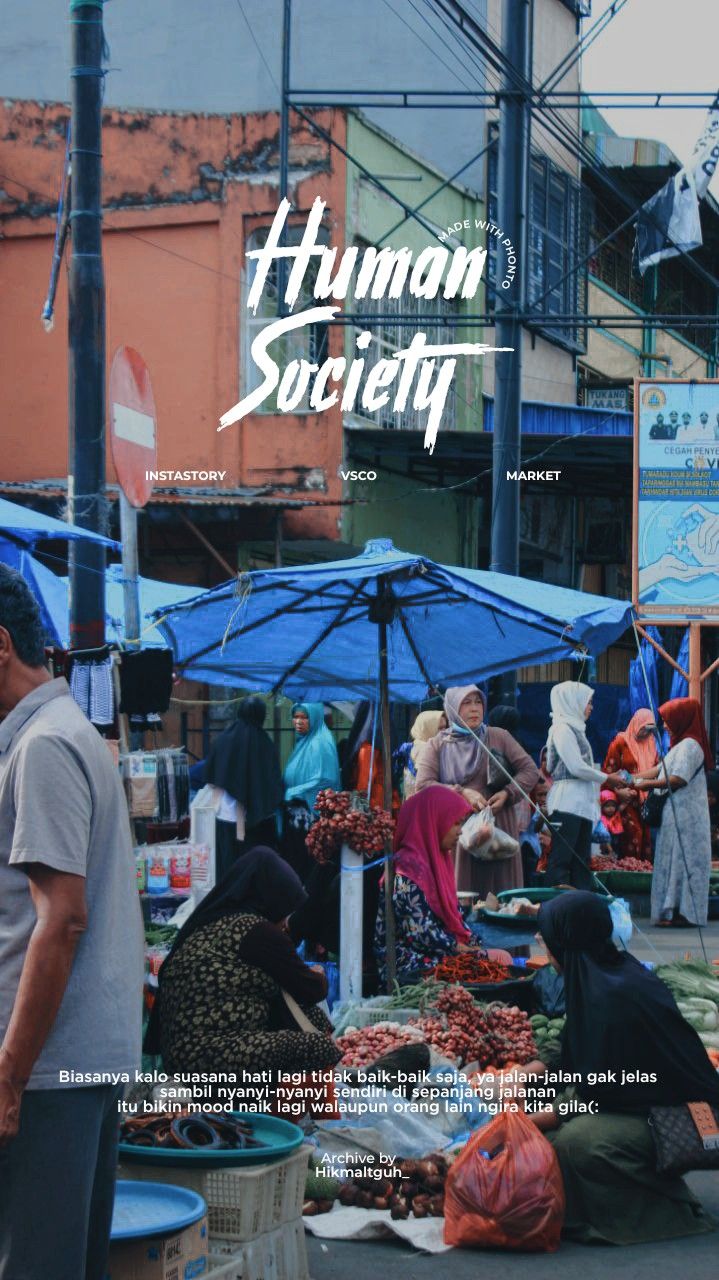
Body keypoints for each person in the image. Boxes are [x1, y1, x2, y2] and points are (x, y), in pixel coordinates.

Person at [0, 565, 144, 1280]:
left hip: (47, 1071)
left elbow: (62, 922)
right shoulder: (65, 732)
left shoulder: (43, 747)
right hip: (69, 1061)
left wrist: (9, 1073)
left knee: (35, 1264)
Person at [528, 892, 719, 1246]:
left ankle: (669, 1210)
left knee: (576, 1142)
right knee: (546, 1131)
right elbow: (574, 1042)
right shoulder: (602, 973)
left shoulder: (612, 996)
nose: (544, 948)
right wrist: (528, 1073)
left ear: (566, 941)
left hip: (687, 1116)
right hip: (639, 1102)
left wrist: (526, 1123)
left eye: (546, 940)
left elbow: (591, 1091)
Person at [144, 847, 340, 1078]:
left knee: (299, 1013)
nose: (284, 923)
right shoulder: (257, 931)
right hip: (212, 1056)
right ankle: (309, 1112)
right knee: (320, 1047)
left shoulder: (209, 924)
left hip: (180, 1056)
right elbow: (311, 990)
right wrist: (319, 975)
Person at [374, 786, 511, 985]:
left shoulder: (437, 860)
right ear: (434, 822)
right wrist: (460, 948)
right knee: (497, 961)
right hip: (409, 963)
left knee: (500, 958)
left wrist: (472, 942)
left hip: (436, 951)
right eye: (455, 823)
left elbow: (452, 916)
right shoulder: (406, 868)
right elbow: (419, 933)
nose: (460, 831)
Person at [415, 685, 539, 895]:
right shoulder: (437, 745)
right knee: (463, 894)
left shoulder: (499, 736)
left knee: (501, 896)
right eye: (466, 702)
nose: (474, 709)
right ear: (453, 708)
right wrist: (460, 792)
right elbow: (423, 785)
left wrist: (508, 793)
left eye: (478, 702)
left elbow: (530, 771)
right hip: (459, 832)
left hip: (498, 829)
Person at [632, 698, 713, 927]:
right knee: (673, 861)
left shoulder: (690, 746)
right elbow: (660, 770)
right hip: (676, 814)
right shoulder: (680, 745)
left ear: (681, 719)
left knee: (683, 862)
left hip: (687, 818)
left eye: (668, 720)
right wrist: (632, 778)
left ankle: (683, 913)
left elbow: (678, 779)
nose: (664, 725)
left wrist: (645, 785)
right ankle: (674, 910)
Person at [543, 681, 628, 890]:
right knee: (562, 858)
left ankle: (583, 905)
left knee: (581, 860)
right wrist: (607, 778)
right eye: (588, 702)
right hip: (567, 803)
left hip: (579, 803)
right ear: (573, 702)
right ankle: (557, 908)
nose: (591, 707)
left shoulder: (575, 729)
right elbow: (576, 767)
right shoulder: (562, 729)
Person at [203, 696, 284, 881]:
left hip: (224, 816)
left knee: (226, 869)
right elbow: (270, 782)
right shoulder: (264, 743)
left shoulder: (224, 739)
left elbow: (212, 771)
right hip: (255, 823)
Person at [602, 708, 657, 861]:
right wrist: (619, 793)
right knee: (632, 837)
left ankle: (643, 880)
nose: (646, 733)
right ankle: (627, 878)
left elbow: (657, 771)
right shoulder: (620, 743)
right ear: (636, 724)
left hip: (646, 804)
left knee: (646, 842)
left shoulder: (652, 744)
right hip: (625, 804)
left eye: (650, 730)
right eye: (644, 728)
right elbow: (607, 774)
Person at [284, 702, 341, 815]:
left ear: (315, 717)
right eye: (295, 717)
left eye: (304, 717)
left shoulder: (321, 742)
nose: (298, 722)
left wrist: (294, 792)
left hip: (313, 813)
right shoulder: (305, 740)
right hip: (299, 809)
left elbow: (326, 779)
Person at [401, 709, 446, 799]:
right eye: (440, 728)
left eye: (445, 727)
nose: (444, 731)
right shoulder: (424, 749)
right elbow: (425, 783)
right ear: (427, 728)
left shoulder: (418, 743)